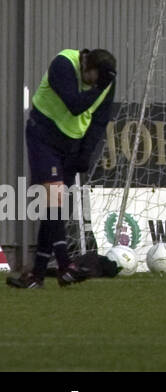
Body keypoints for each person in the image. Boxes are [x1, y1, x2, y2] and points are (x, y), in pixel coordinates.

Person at [7, 48, 116, 289]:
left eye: (99, 82)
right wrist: (99, 88)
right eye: (92, 79)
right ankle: (66, 265)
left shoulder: (104, 80)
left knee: (56, 206)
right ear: (87, 66)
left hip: (71, 145)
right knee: (54, 198)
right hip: (43, 137)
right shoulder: (63, 64)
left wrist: (85, 153)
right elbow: (75, 105)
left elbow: (99, 119)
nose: (93, 85)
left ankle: (36, 275)